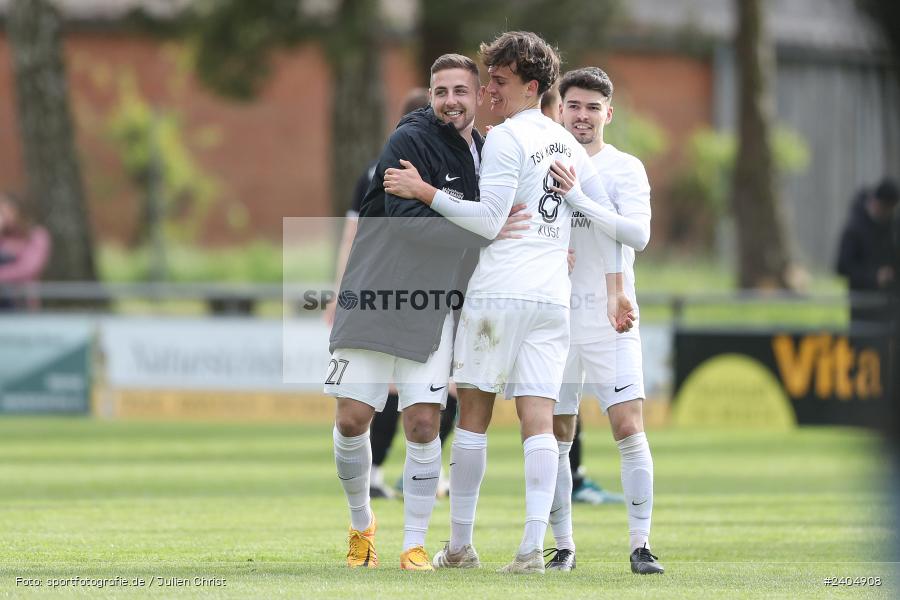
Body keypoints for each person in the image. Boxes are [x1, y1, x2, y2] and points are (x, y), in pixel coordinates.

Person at [384, 31, 634, 574]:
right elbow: (607, 217)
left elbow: (489, 220)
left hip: (499, 293)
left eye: (499, 80)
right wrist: (608, 276)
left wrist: (425, 192)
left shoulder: (506, 137)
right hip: (552, 299)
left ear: (531, 87)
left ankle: (460, 546)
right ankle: (530, 550)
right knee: (539, 421)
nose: (489, 90)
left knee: (473, 417)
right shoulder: (566, 142)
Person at [326, 54, 527, 571]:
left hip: (433, 308)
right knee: (351, 420)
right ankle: (361, 525)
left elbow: (502, 221)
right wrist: (482, 230)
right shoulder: (408, 141)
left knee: (422, 423)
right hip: (373, 296)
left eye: (461, 91)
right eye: (441, 92)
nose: (450, 101)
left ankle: (413, 544)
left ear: (479, 96)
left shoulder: (489, 152)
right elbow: (407, 223)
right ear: (431, 96)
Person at [544, 67, 663, 574]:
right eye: (574, 105)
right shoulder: (541, 161)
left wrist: (578, 200)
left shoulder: (625, 169)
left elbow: (638, 235)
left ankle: (641, 545)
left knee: (627, 425)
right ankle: (563, 547)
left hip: (612, 314)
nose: (583, 115)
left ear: (608, 114)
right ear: (560, 109)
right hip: (553, 317)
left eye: (593, 107)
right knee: (556, 431)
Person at [323, 88, 456, 500]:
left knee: (434, 395)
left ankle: (396, 472)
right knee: (390, 396)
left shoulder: (436, 168)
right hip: (398, 297)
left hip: (417, 297)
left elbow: (351, 238)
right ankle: (381, 473)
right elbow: (355, 235)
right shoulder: (383, 172)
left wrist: (340, 291)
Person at [836, 178, 899, 327]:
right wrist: (874, 277)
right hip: (863, 307)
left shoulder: (892, 226)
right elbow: (842, 266)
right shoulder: (855, 228)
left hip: (889, 308)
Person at [0, 192, 51, 310]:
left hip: (21, 300)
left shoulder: (36, 235)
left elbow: (28, 268)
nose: (4, 216)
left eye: (8, 210)